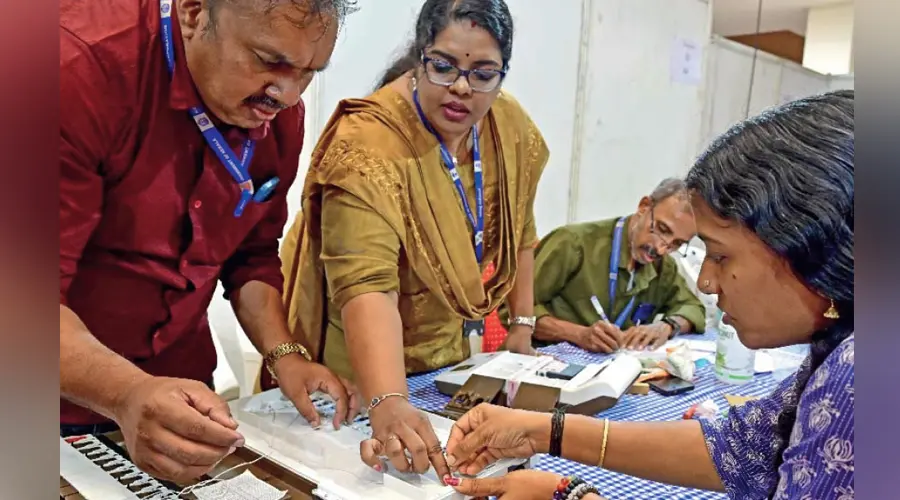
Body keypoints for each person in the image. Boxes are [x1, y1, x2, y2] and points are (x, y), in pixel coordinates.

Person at [375, 90, 856, 499]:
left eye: (721, 257)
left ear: (809, 246)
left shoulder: (860, 376)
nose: (707, 281)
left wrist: (571, 492)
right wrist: (541, 430)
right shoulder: (577, 243)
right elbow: (741, 448)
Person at [59, 0, 361, 484]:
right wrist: (125, 393)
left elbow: (252, 255)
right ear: (194, 13)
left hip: (177, 398)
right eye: (269, 61)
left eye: (308, 72)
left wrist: (284, 353)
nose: (286, 93)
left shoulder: (278, 116)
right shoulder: (76, 71)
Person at [276, 0, 547, 482]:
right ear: (420, 57)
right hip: (358, 373)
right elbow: (367, 284)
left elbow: (520, 227)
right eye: (444, 67)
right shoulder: (366, 145)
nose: (462, 87)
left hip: (445, 365)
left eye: (483, 74)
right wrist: (388, 399)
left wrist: (522, 326)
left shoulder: (508, 127)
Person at [503, 178, 705, 353]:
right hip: (538, 365)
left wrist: (666, 326)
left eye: (676, 243)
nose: (661, 248)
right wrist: (578, 334)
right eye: (661, 229)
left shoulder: (663, 267)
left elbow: (693, 308)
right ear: (644, 207)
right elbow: (510, 311)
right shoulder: (573, 243)